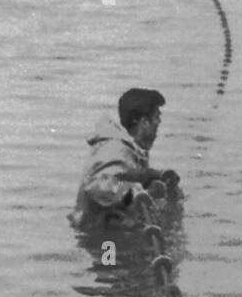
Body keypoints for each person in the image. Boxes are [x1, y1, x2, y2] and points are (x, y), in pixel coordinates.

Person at [69, 87, 180, 230]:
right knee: (114, 246)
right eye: (156, 117)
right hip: (102, 237)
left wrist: (152, 176)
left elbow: (126, 172)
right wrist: (130, 192)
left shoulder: (129, 149)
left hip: (108, 228)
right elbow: (98, 185)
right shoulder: (116, 149)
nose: (159, 123)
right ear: (142, 121)